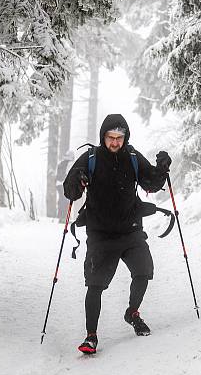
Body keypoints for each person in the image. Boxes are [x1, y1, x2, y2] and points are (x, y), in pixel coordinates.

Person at [63, 113, 171, 354]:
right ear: (103, 137)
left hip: (130, 229)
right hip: (100, 233)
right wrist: (77, 182)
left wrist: (162, 169)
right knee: (95, 285)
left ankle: (132, 312)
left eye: (119, 138)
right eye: (110, 137)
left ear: (125, 137)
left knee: (144, 271)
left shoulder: (132, 157)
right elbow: (70, 191)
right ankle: (91, 336)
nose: (114, 142)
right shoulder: (91, 157)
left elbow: (150, 184)